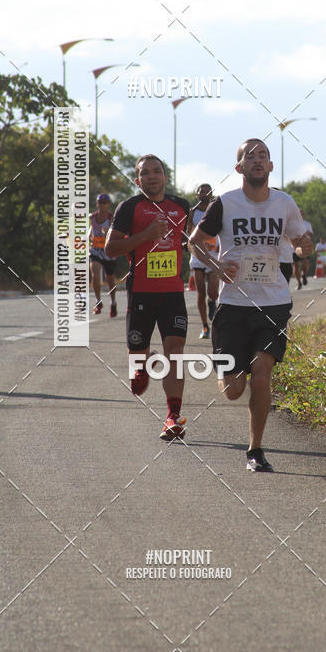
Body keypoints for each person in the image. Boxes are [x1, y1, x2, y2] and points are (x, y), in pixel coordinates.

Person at [189, 138, 312, 472]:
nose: (257, 160)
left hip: (273, 302)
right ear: (239, 167)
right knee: (233, 389)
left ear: (271, 166)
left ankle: (255, 450)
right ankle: (227, 368)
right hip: (233, 302)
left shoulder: (285, 203)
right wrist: (216, 267)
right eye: (250, 156)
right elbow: (194, 243)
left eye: (263, 156)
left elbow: (301, 246)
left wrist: (304, 247)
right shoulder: (225, 204)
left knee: (262, 371)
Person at [105, 155, 190, 441]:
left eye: (157, 171)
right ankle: (144, 361)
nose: (152, 176)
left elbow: (194, 242)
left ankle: (172, 416)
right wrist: (146, 235)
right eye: (145, 173)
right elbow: (111, 249)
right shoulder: (129, 208)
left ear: (165, 176)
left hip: (173, 294)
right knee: (138, 381)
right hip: (141, 292)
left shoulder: (182, 207)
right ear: (138, 179)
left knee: (176, 352)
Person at [189, 183, 219, 339]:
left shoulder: (216, 208)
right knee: (200, 292)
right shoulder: (192, 212)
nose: (205, 194)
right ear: (197, 195)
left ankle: (212, 302)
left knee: (213, 291)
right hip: (198, 256)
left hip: (213, 254)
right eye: (202, 191)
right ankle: (205, 326)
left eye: (208, 191)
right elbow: (188, 235)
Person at [89, 193, 118, 317]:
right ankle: (98, 301)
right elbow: (91, 229)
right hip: (95, 250)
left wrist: (108, 233)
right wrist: (89, 237)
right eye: (100, 202)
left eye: (104, 202)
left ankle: (113, 302)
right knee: (95, 273)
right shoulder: (92, 217)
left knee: (110, 279)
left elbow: (117, 233)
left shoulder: (112, 218)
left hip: (108, 252)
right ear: (97, 204)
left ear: (109, 204)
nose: (102, 205)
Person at [293, 209, 313, 289]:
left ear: (304, 215)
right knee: (296, 265)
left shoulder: (307, 224)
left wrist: (306, 234)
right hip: (294, 247)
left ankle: (304, 274)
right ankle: (298, 282)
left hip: (305, 247)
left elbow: (311, 234)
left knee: (305, 263)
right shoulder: (292, 224)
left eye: (302, 214)